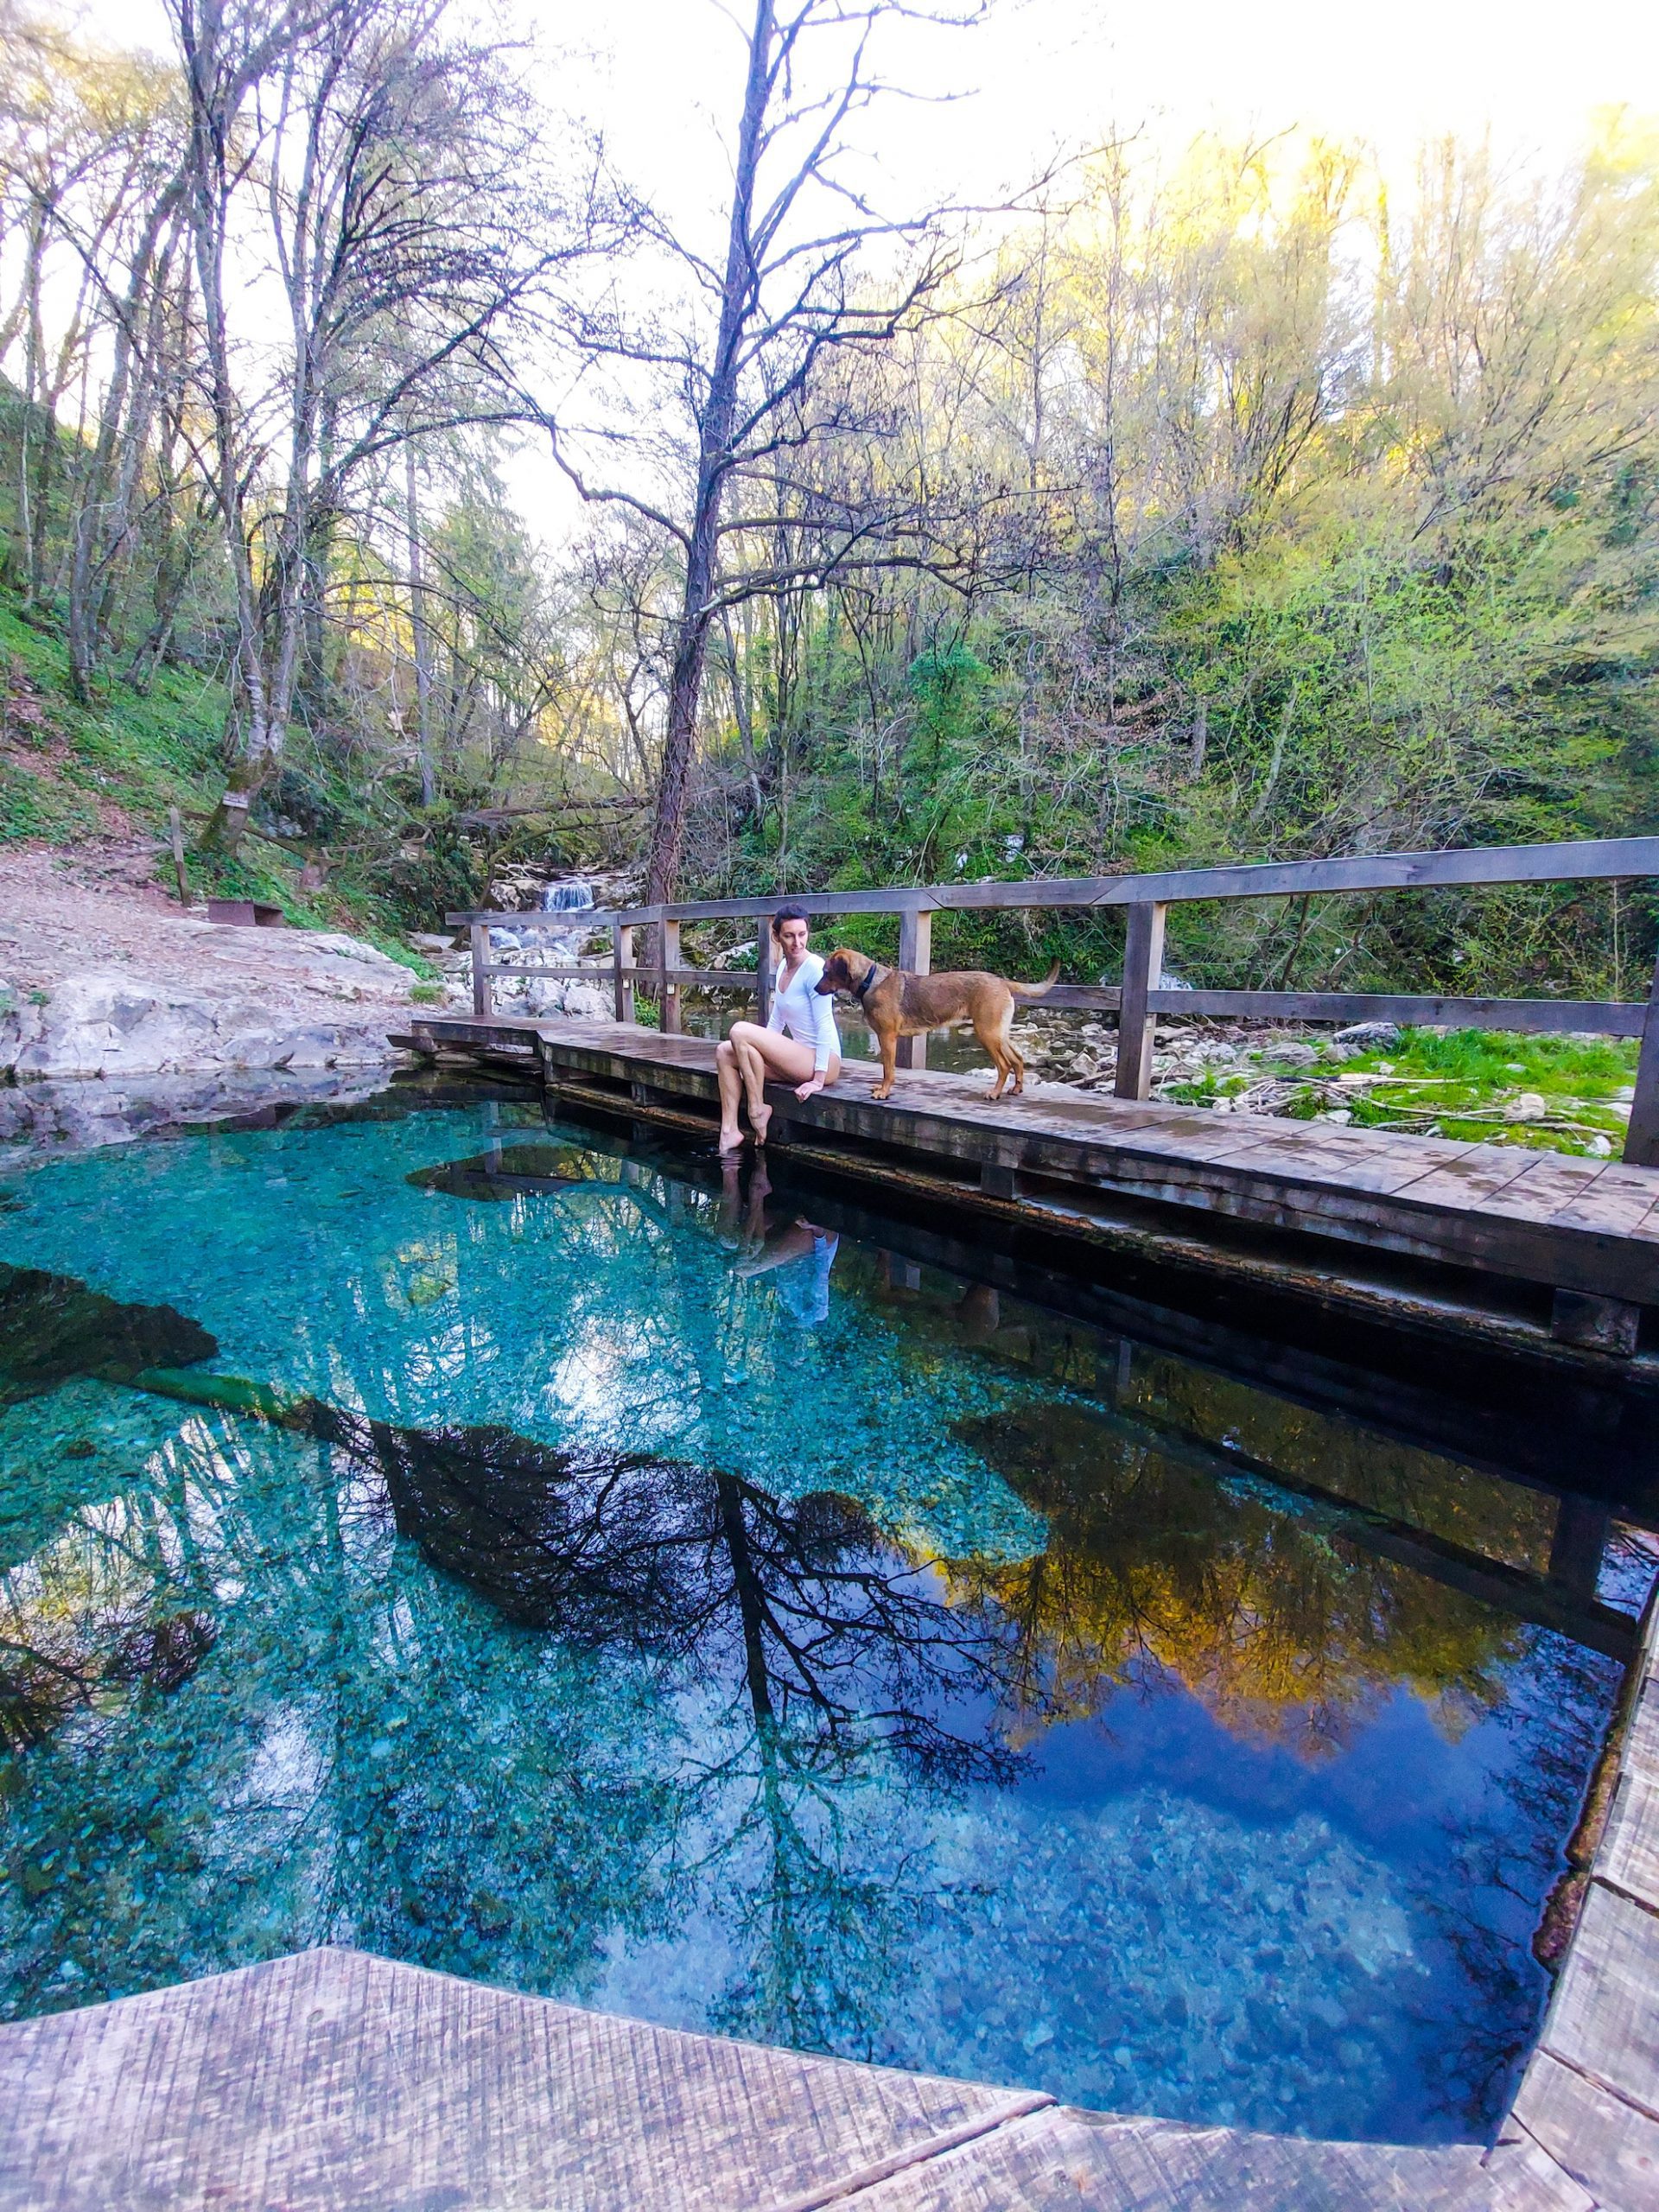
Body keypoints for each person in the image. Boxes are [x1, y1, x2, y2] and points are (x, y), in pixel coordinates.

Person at [716, 904, 841, 1154]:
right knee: (724, 1052)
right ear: (777, 937)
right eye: (789, 936)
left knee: (740, 1030)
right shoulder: (784, 967)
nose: (797, 942)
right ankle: (729, 1131)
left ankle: (756, 1108)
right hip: (796, 1058)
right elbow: (776, 1022)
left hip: (823, 1061)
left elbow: (825, 1023)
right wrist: (759, 1051)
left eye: (802, 934)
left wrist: (818, 1080)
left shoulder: (815, 969)